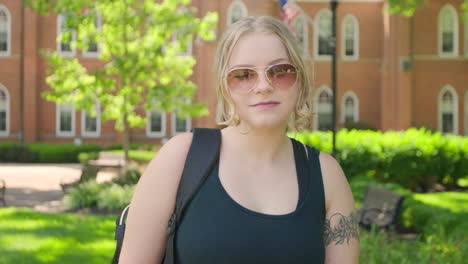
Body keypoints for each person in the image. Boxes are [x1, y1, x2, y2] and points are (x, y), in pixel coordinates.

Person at [119, 16, 359, 263]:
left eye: (280, 71)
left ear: (300, 80)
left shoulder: (327, 176)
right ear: (225, 87)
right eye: (243, 75)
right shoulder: (180, 159)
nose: (263, 86)